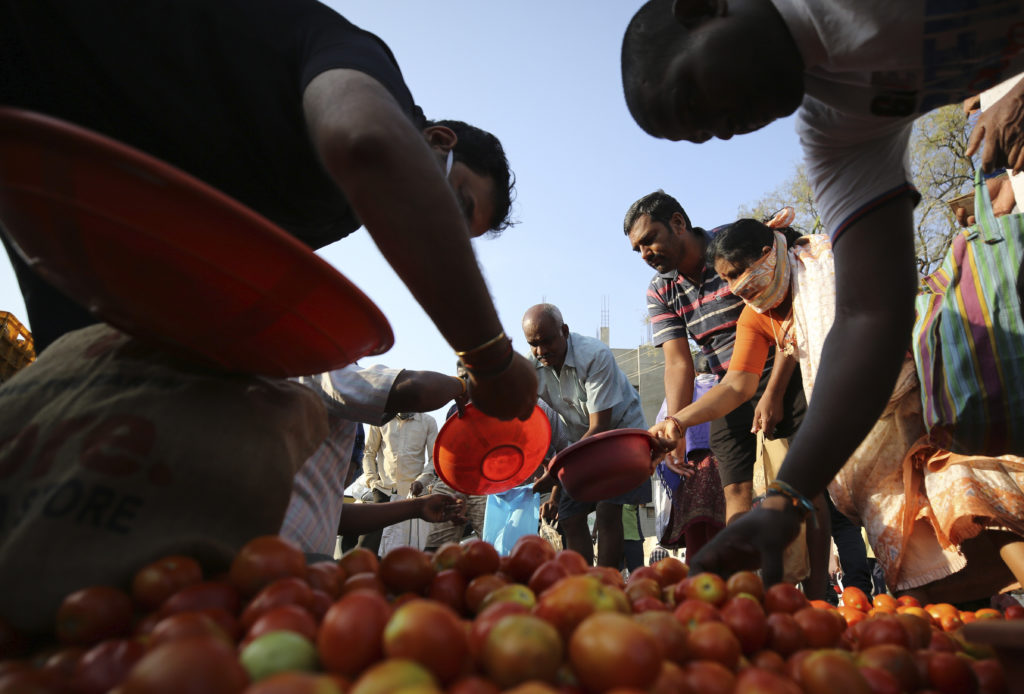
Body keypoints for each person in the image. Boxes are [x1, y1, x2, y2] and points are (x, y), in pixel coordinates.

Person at [621, 0, 1024, 582]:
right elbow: (868, 315)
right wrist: (786, 496)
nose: (724, 128)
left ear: (703, 10)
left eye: (695, 97)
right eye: (701, 132)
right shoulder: (836, 127)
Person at [0, 0, 536, 423]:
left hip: (64, 198)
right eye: (455, 204)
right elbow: (368, 144)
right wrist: (488, 358)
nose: (437, 228)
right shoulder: (365, 65)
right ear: (440, 140)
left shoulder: (335, 210)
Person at [623, 190, 806, 526]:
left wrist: (774, 392)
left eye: (650, 240)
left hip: (782, 364)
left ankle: (816, 577)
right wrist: (674, 427)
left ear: (678, 223)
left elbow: (789, 319)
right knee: (735, 487)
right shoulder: (660, 290)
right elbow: (679, 364)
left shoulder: (735, 242)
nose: (645, 254)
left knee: (801, 485)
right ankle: (742, 576)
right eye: (638, 249)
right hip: (728, 384)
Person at [281, 365, 468, 559]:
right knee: (368, 549)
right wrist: (463, 385)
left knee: (403, 551)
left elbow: (331, 513)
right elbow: (416, 391)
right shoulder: (328, 370)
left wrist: (419, 497)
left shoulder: (428, 422)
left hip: (411, 492)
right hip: (383, 489)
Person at [523, 303, 651, 568]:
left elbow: (600, 427)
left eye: (547, 341)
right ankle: (581, 582)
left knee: (607, 510)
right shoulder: (532, 365)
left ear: (565, 331)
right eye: (533, 344)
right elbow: (521, 415)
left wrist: (556, 470)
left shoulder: (594, 356)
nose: (541, 351)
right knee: (570, 515)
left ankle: (605, 582)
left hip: (621, 440)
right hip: (580, 446)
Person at [359, 411, 439, 556]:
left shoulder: (428, 422)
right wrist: (372, 481)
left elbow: (435, 458)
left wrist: (421, 481)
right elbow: (369, 452)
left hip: (413, 496)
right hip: (384, 492)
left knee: (411, 553)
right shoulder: (380, 419)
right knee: (367, 550)